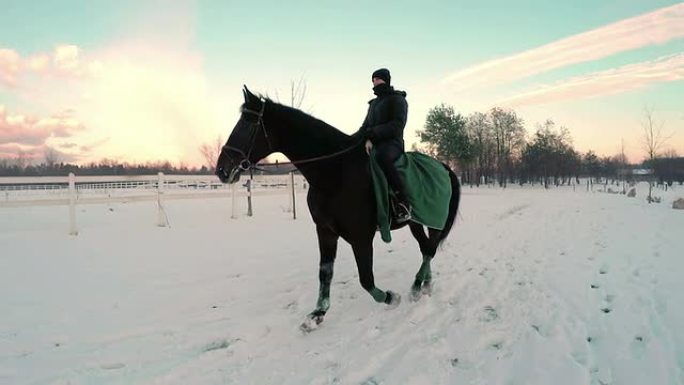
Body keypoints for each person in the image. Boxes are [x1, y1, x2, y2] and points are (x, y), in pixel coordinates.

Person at [357, 68, 411, 222]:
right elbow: (364, 127)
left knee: (382, 157)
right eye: (373, 80)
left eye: (378, 79)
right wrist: (352, 140)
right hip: (373, 142)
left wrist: (371, 134)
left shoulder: (398, 99)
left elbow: (397, 125)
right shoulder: (373, 104)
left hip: (392, 143)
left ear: (386, 80)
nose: (375, 82)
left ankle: (402, 202)